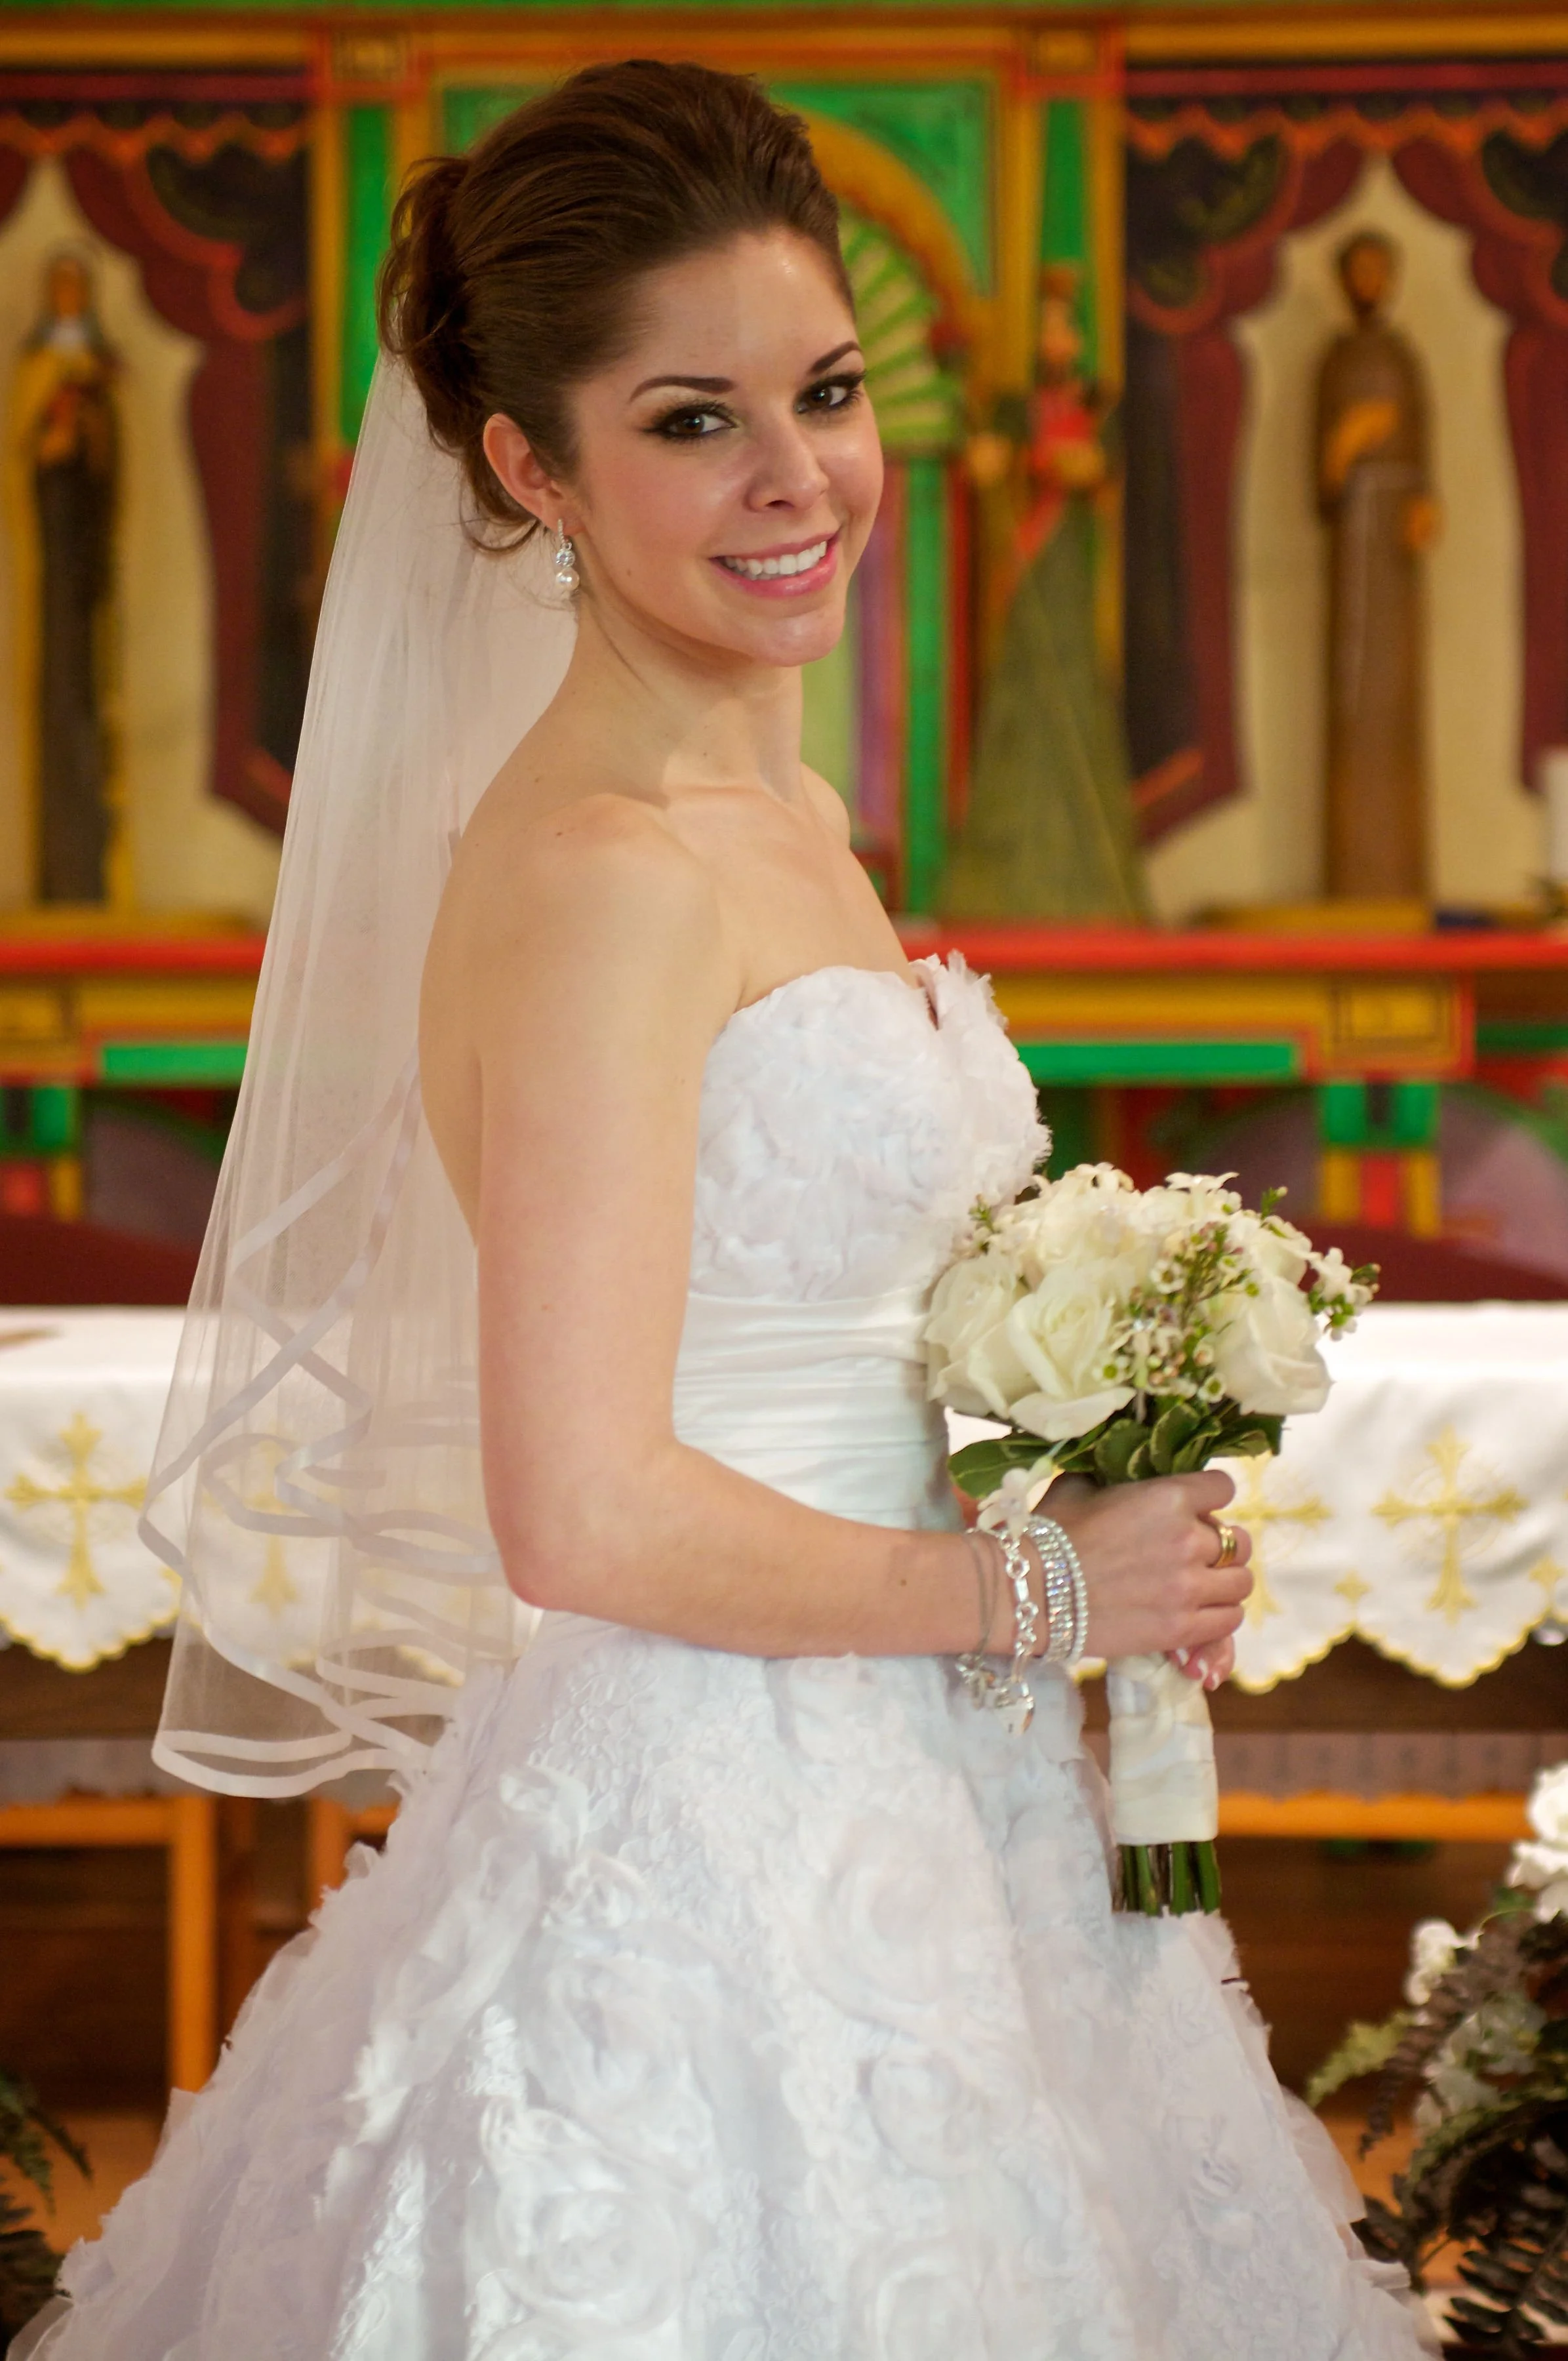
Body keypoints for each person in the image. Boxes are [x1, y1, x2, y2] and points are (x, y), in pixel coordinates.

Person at [22, 65, 1433, 2360]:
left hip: (934, 1778)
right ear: (527, 466)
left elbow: (812, 1344)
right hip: (718, 1833)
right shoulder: (598, 873)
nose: (801, 482)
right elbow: (577, 1507)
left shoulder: (789, 820)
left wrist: (1081, 1477)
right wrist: (1041, 1580)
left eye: (832, 391)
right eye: (695, 421)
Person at [942, 262, 1147, 922]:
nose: (1057, 344)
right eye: (1048, 330)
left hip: (1068, 571)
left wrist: (1067, 463)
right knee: (1023, 692)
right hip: (1023, 573)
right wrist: (987, 459)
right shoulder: (1011, 406)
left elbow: (1099, 470)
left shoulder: (1098, 405)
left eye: (1067, 331)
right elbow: (984, 463)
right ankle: (1010, 875)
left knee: (1077, 689)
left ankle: (1092, 879)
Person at [1316, 230, 1437, 903]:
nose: (1370, 279)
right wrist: (1344, 446)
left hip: (1395, 541)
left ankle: (1400, 879)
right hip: (1354, 541)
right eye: (1359, 267)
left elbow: (1424, 436)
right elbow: (1321, 476)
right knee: (1354, 685)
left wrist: (1424, 499)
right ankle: (1356, 877)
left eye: (1379, 268)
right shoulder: (1335, 362)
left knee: (1397, 695)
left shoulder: (1402, 357)